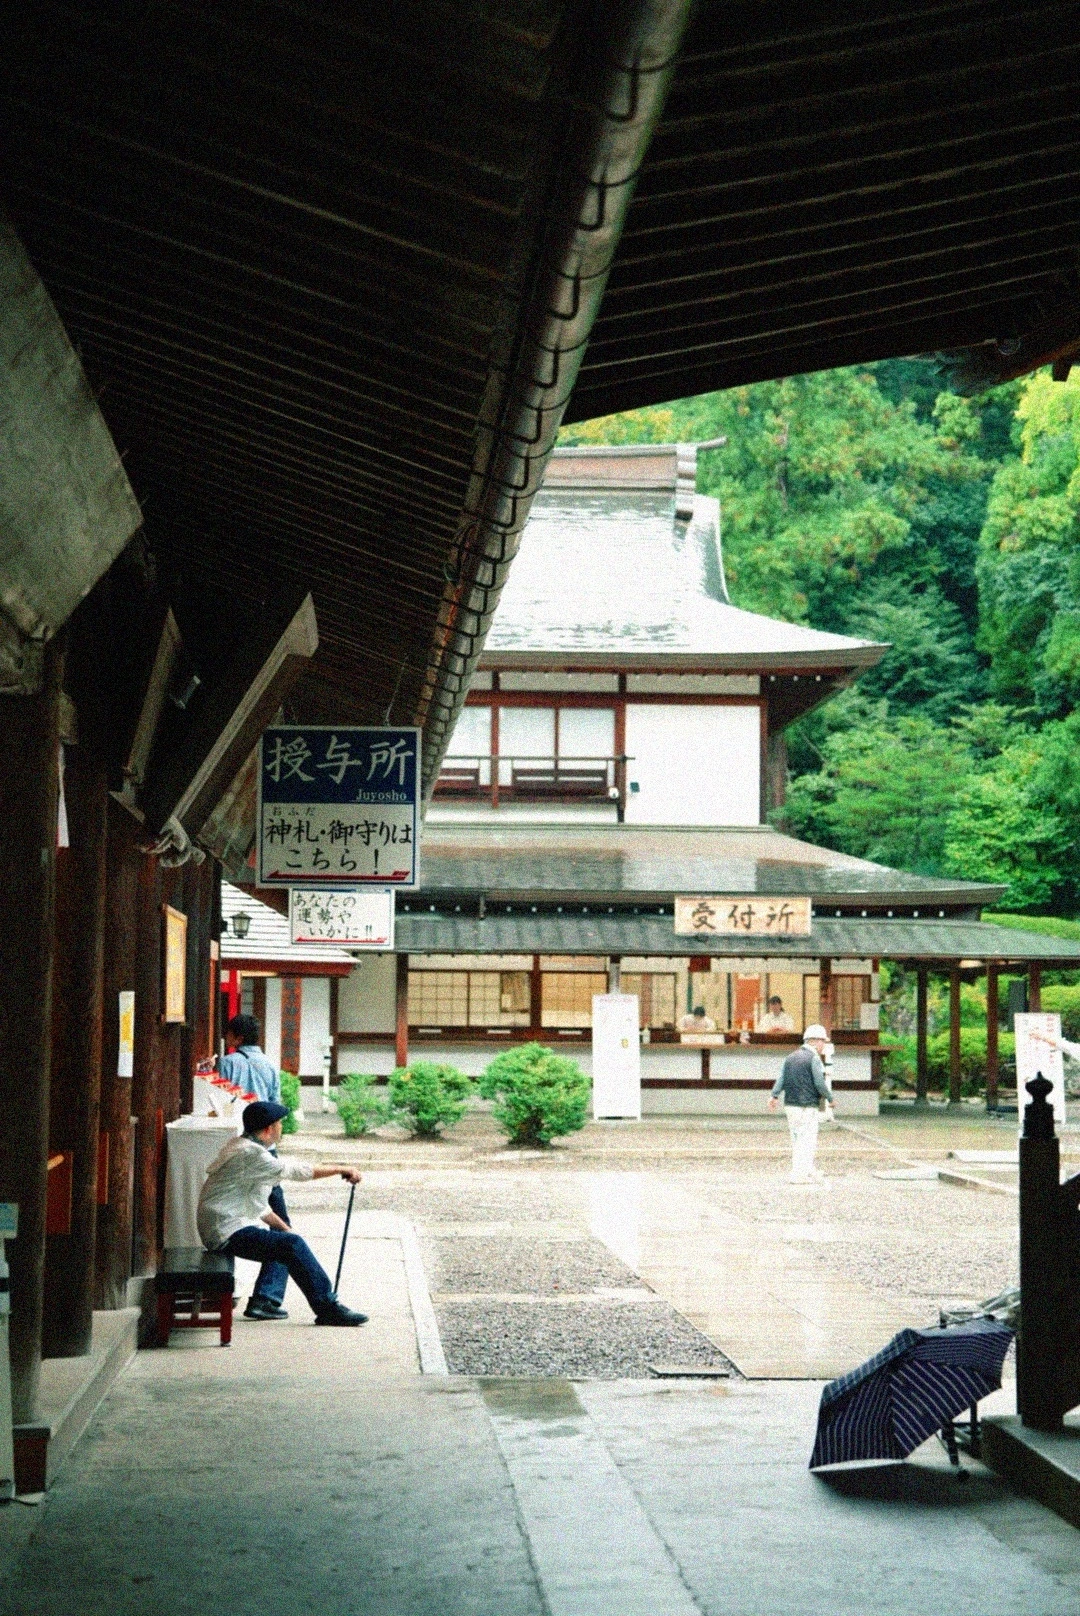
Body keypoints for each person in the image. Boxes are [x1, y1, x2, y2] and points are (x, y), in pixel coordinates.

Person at [197, 1100, 366, 1325]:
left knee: (286, 1241)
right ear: (269, 1128)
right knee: (290, 1245)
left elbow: (258, 1205)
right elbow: (296, 1171)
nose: (281, 1127)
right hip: (224, 1231)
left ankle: (264, 1302)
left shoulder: (244, 1148)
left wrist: (286, 1230)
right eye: (279, 1123)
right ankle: (327, 1308)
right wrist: (341, 1169)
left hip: (223, 1226)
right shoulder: (251, 1154)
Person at [219, 1013, 293, 1315]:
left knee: (227, 1214)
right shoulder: (269, 1065)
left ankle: (229, 1288)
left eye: (229, 1034)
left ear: (236, 1037)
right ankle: (266, 1296)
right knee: (279, 1221)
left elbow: (220, 1102)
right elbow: (275, 1107)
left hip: (236, 1147)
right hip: (264, 1149)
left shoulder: (228, 1063)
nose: (227, 1039)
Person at [767, 1023, 834, 1183]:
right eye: (823, 1041)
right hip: (807, 1105)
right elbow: (819, 1083)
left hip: (790, 1104)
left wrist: (774, 1095)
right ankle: (799, 1174)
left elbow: (781, 1078)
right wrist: (830, 1098)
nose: (824, 1045)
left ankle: (807, 1169)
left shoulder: (790, 1057)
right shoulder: (814, 1058)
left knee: (796, 1138)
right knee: (807, 1140)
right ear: (815, 1041)